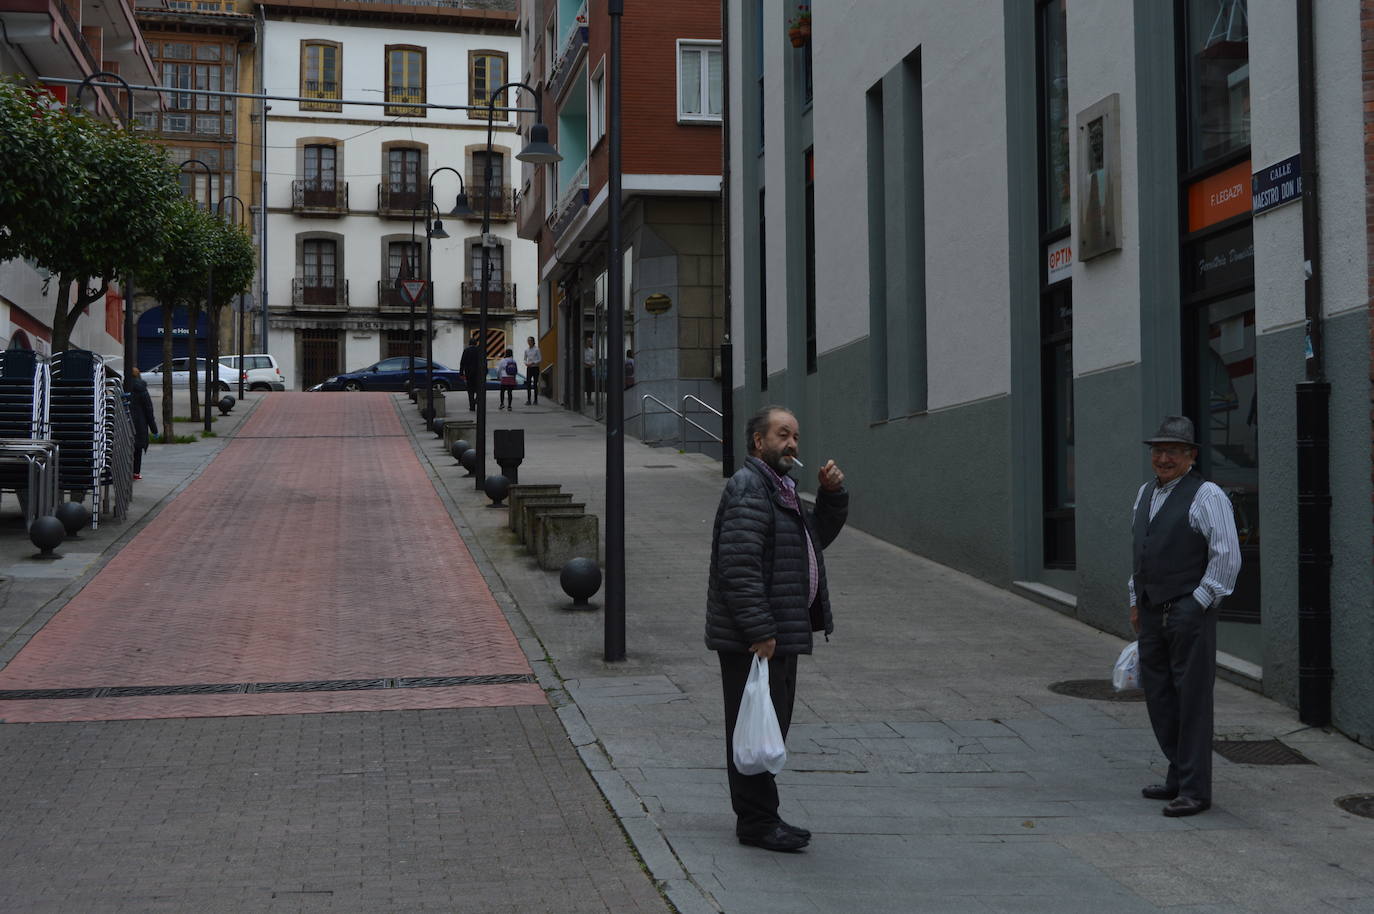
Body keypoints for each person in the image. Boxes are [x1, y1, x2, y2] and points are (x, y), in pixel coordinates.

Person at [705, 406, 848, 852]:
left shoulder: (780, 489)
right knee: (755, 726)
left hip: (778, 632)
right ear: (758, 443)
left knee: (768, 726)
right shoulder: (750, 488)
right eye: (783, 435)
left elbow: (811, 539)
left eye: (796, 437)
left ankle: (762, 817)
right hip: (759, 639)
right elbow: (738, 567)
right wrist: (761, 630)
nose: (793, 445)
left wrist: (831, 496)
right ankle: (757, 823)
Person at [1129, 415, 1240, 818]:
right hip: (1151, 610)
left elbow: (1226, 555)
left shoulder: (1207, 495)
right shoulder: (1145, 493)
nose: (1163, 458)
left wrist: (1199, 601)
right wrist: (1135, 598)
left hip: (1188, 611)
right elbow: (1142, 551)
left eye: (1173, 451)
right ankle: (1178, 775)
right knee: (1160, 698)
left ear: (1191, 456)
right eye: (1158, 451)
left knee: (1191, 701)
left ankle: (1195, 789)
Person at [125, 367, 157, 480]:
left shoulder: (124, 386)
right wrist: (154, 429)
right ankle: (136, 473)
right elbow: (149, 409)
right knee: (137, 448)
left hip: (126, 421)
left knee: (126, 447)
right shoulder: (142, 389)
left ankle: (125, 471)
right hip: (139, 423)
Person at [460, 332, 485, 411]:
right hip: (479, 373)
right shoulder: (480, 350)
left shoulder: (466, 350)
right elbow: (484, 362)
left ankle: (472, 406)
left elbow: (462, 362)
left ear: (469, 343)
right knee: (478, 389)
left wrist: (461, 373)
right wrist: (485, 372)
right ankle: (477, 399)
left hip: (469, 373)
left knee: (470, 390)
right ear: (476, 343)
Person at [523, 336, 542, 405]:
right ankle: (529, 400)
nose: (529, 342)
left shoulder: (537, 349)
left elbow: (540, 359)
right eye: (528, 341)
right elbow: (524, 359)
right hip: (529, 368)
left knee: (535, 384)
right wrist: (526, 363)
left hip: (535, 368)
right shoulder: (526, 350)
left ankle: (535, 400)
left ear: (533, 341)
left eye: (530, 340)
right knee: (528, 384)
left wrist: (533, 362)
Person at [582, 335, 595, 404]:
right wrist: (587, 364)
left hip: (589, 369)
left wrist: (591, 364)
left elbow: (593, 361)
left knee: (589, 384)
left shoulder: (592, 351)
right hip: (582, 370)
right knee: (582, 384)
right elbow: (581, 361)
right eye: (588, 341)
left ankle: (589, 399)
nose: (590, 342)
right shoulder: (582, 350)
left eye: (590, 341)